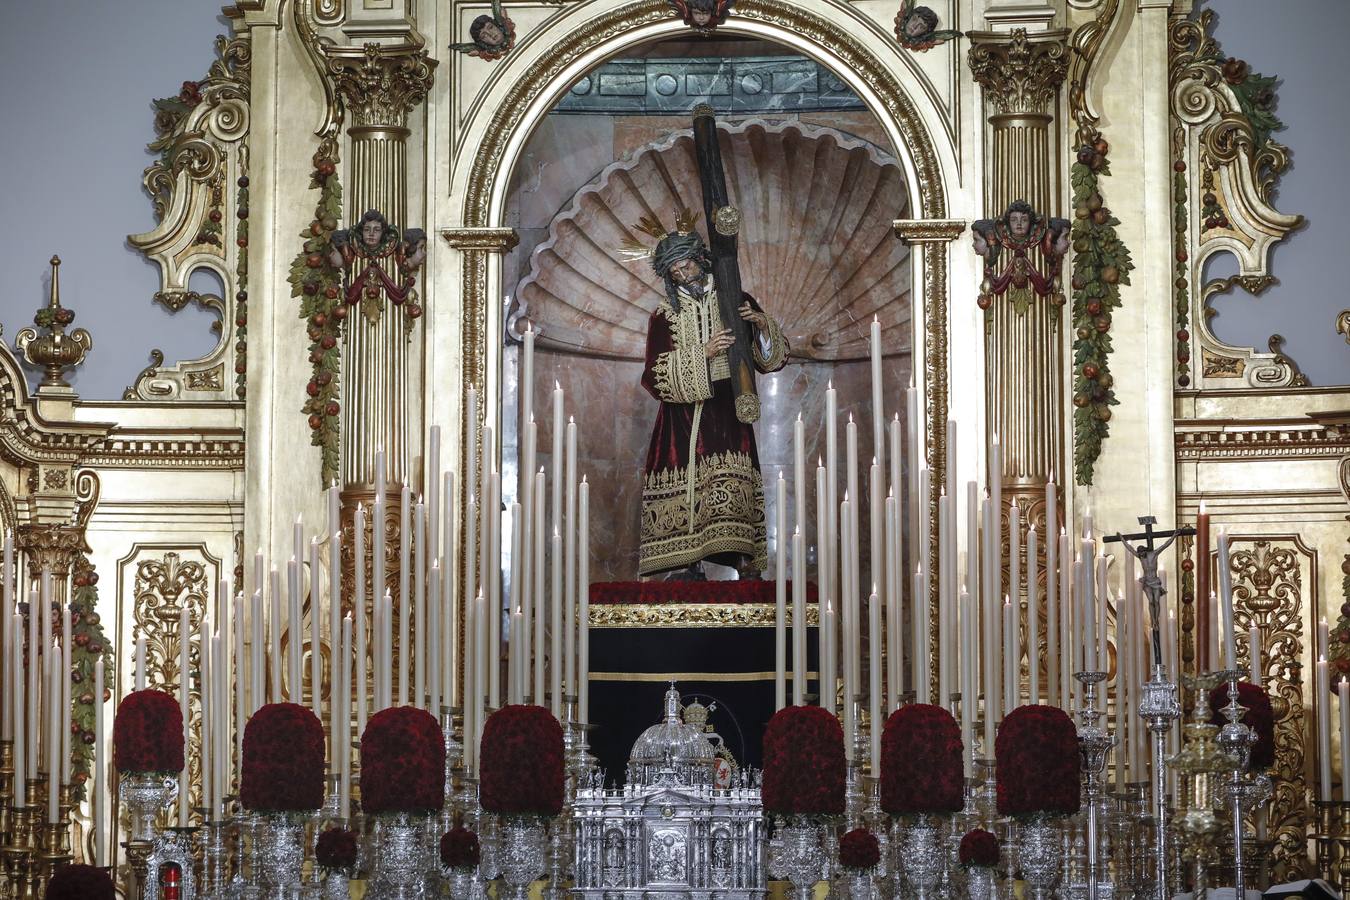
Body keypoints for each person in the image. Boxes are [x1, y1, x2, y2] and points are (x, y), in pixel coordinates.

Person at [638, 225, 788, 580]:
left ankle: (741, 558)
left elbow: (769, 361)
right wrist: (702, 353)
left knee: (731, 485)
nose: (683, 275)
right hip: (681, 420)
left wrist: (762, 326)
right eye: (674, 271)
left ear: (700, 260)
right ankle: (687, 563)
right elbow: (653, 374)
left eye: (687, 265)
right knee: (689, 484)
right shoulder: (664, 315)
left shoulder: (735, 297)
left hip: (727, 411)